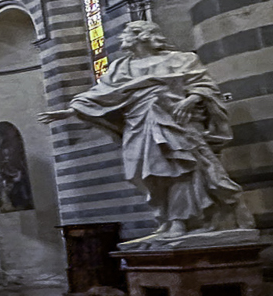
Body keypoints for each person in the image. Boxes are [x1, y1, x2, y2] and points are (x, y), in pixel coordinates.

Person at [40, 19, 252, 243]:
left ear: (143, 36)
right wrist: (71, 111)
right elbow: (101, 94)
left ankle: (180, 221)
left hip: (176, 122)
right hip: (138, 124)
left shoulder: (182, 59)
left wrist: (191, 99)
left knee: (178, 169)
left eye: (128, 32)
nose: (122, 37)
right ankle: (166, 218)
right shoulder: (121, 67)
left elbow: (206, 85)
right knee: (147, 173)